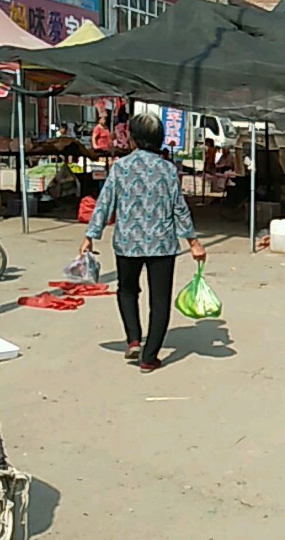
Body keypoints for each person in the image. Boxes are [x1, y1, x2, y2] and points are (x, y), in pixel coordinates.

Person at [80, 112, 206, 373]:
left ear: (134, 140)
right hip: (162, 245)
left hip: (128, 243)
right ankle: (149, 358)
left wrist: (90, 236)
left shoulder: (121, 167)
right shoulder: (168, 170)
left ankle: (134, 339)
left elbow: (105, 204)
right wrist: (193, 242)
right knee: (160, 301)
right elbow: (179, 208)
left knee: (127, 290)